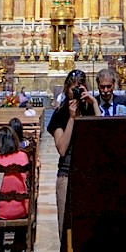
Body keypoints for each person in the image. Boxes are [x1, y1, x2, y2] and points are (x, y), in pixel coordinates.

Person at [48, 69, 94, 234]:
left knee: (89, 224)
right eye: (73, 88)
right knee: (66, 225)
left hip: (89, 174)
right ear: (67, 89)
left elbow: (101, 135)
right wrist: (72, 118)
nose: (75, 92)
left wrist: (94, 104)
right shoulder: (60, 115)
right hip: (67, 174)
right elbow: (61, 149)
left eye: (79, 88)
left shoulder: (90, 110)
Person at [0, 123, 31, 252]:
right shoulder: (23, 157)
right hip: (21, 209)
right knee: (23, 212)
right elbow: (27, 180)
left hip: (0, 211)